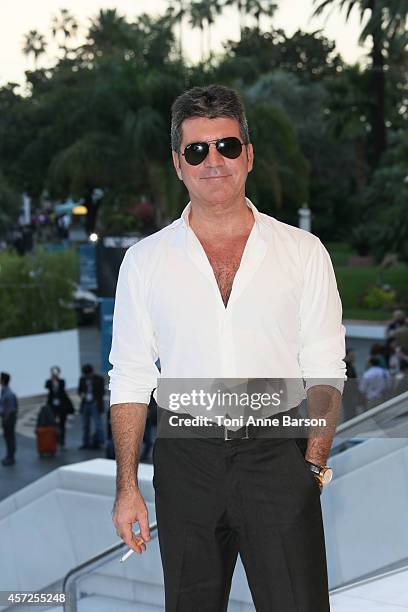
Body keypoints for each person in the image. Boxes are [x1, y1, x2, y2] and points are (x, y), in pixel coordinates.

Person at [109, 85, 346, 611]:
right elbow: (129, 375)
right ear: (178, 163)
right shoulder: (145, 262)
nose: (213, 161)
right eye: (197, 150)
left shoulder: (303, 253)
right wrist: (127, 486)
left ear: (249, 155)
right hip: (185, 456)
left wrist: (310, 467)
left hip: (279, 453)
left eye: (228, 146)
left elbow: (326, 370)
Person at [45, 366, 73, 449]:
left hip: (61, 407)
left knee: (62, 424)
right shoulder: (49, 381)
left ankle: (62, 440)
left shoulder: (61, 381)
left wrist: (56, 381)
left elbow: (62, 387)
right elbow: (47, 386)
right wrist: (52, 380)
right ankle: (55, 440)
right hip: (52, 406)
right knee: (52, 423)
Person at [77, 364, 105, 450]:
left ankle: (100, 442)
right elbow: (79, 390)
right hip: (85, 403)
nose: (87, 376)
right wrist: (82, 394)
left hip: (94, 404)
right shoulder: (82, 379)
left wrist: (97, 401)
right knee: (85, 425)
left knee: (98, 425)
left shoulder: (99, 379)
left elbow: (102, 392)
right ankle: (86, 443)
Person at [0, 372, 18, 466]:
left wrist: (5, 419)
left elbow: (10, 409)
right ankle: (9, 456)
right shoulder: (4, 390)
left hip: (8, 419)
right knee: (8, 438)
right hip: (7, 418)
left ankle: (11, 457)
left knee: (10, 438)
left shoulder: (8, 393)